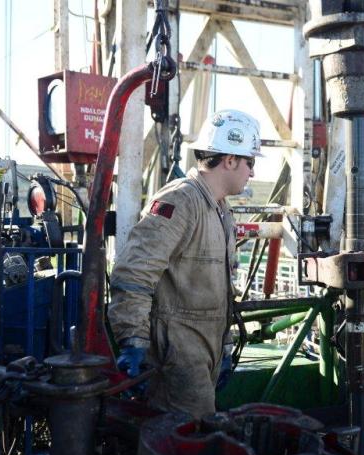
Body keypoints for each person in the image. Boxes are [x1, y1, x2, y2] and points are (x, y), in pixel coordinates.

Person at [108, 109, 261, 419]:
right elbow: (135, 273)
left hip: (204, 349)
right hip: (177, 352)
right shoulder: (180, 201)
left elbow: (221, 288)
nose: (252, 173)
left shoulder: (220, 210)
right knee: (186, 438)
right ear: (230, 160)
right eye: (250, 162)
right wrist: (133, 340)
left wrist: (225, 346)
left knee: (198, 433)